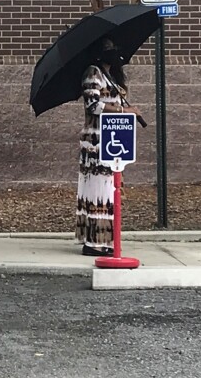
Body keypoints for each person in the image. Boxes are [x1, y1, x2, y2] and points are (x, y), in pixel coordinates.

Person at [77, 38, 142, 257]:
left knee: (110, 189)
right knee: (99, 189)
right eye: (108, 49)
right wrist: (124, 111)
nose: (113, 52)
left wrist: (126, 108)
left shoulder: (112, 76)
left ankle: (106, 239)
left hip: (114, 139)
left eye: (114, 48)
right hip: (96, 142)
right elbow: (93, 105)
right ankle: (93, 241)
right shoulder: (92, 73)